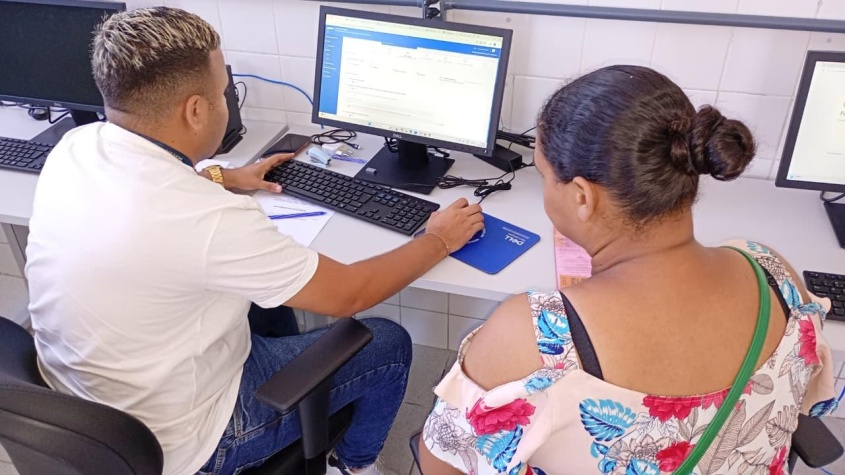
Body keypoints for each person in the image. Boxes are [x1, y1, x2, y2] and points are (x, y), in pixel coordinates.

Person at [24, 7, 484, 475]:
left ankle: (307, 395)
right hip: (188, 441)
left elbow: (156, 189)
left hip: (88, 411)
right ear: (197, 110)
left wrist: (223, 176)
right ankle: (355, 466)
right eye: (223, 90)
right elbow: (351, 294)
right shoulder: (209, 220)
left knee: (269, 297)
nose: (226, 100)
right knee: (386, 341)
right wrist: (438, 240)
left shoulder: (79, 147)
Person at [419, 65, 838, 475]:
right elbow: (809, 402)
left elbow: (442, 466)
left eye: (545, 177)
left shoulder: (536, 336)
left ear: (583, 196)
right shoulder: (773, 272)